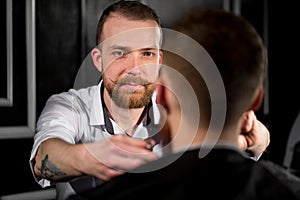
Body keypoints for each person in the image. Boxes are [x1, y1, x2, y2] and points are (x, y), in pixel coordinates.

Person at [29, 1, 270, 199]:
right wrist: (94, 156)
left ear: (159, 59)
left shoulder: (176, 107)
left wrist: (255, 140)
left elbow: (247, 137)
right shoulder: (69, 106)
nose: (135, 68)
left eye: (147, 53)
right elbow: (44, 159)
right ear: (98, 59)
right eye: (120, 53)